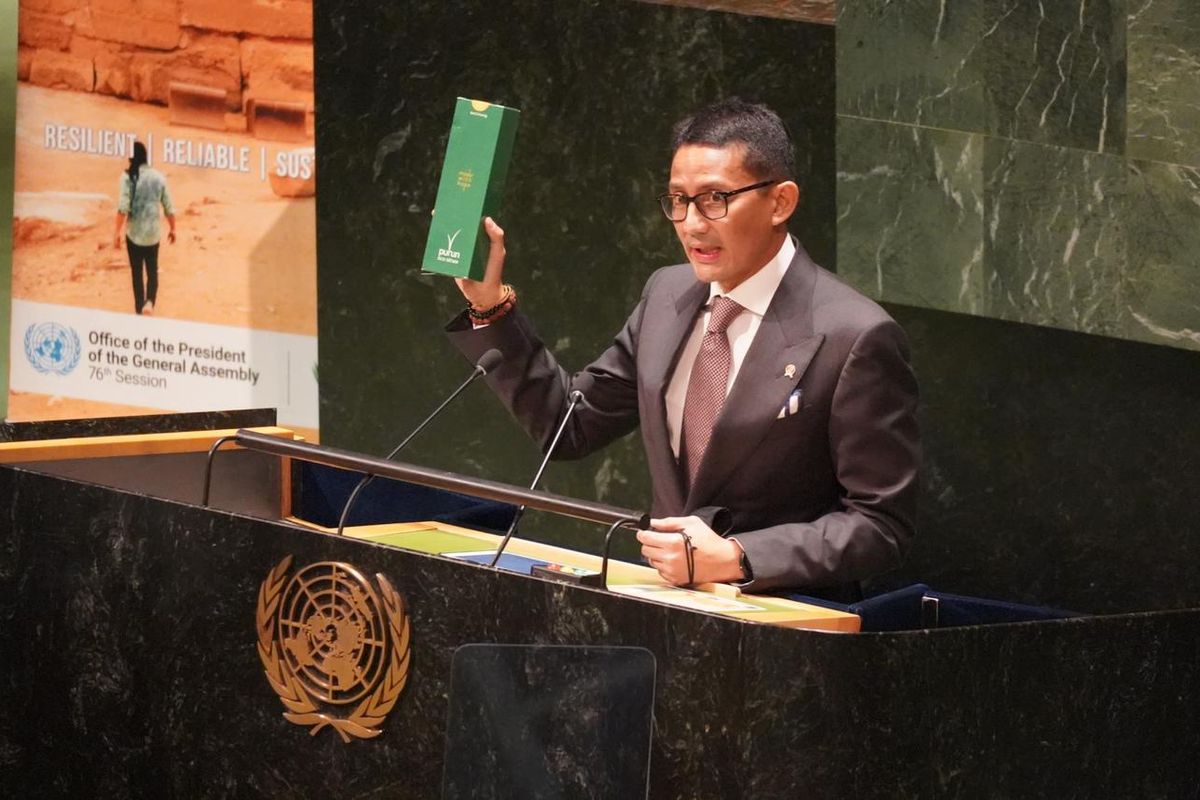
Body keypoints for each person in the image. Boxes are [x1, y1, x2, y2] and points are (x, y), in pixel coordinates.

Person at [447, 99, 919, 599]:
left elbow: (879, 525)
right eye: (678, 200)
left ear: (780, 201)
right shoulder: (666, 295)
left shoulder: (855, 335)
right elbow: (571, 425)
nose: (692, 224)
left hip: (786, 623)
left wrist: (741, 557)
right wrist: (491, 308)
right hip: (667, 611)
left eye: (715, 199)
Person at [113, 141, 176, 316]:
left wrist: (117, 233)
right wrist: (173, 229)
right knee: (152, 270)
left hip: (134, 234)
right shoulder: (159, 177)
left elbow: (123, 207)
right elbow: (169, 207)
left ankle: (139, 308)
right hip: (153, 234)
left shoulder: (127, 177)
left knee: (137, 273)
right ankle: (149, 302)